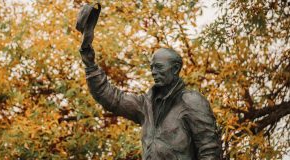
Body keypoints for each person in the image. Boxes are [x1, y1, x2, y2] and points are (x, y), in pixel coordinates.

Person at [77, 4, 221, 160]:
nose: (153, 72)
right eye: (152, 67)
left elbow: (209, 150)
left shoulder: (191, 101)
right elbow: (112, 98)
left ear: (175, 69)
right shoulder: (146, 105)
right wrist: (90, 64)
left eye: (159, 67)